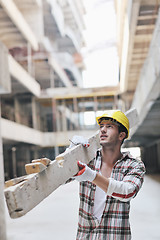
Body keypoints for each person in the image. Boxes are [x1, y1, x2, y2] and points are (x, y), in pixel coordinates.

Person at [71, 110, 145, 240]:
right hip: (86, 236)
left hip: (114, 236)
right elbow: (62, 177)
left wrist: (92, 176)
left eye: (109, 126)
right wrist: (71, 152)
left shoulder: (134, 165)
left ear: (121, 135)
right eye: (101, 127)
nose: (103, 130)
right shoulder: (89, 160)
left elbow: (127, 192)